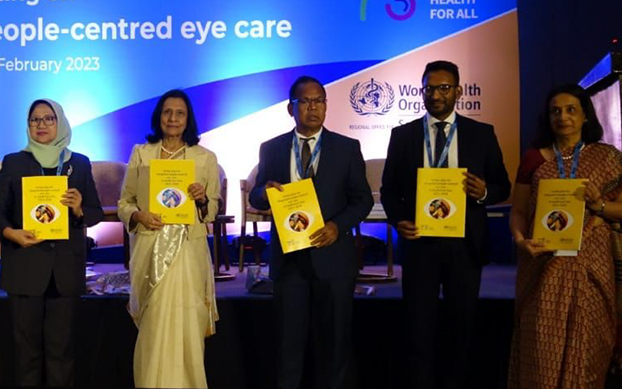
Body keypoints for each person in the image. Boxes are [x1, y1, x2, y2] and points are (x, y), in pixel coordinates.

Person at [380, 60, 511, 389]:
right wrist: (399, 221)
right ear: (421, 91)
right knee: (417, 331)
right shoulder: (404, 135)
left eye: (443, 88)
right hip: (420, 244)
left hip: (464, 246)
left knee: (461, 328)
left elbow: (502, 186)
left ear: (458, 91)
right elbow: (389, 189)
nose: (436, 94)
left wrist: (483, 193)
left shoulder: (481, 134)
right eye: (429, 88)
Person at [248, 76, 373, 389]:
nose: (312, 107)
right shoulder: (272, 148)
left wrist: (337, 226)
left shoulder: (347, 148)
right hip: (289, 263)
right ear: (291, 108)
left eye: (319, 101)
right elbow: (255, 196)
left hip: (334, 262)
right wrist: (264, 191)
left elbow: (362, 200)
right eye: (304, 101)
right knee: (288, 352)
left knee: (334, 351)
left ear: (326, 106)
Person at [507, 84, 622, 389]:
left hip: (591, 270)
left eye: (571, 109)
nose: (563, 117)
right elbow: (517, 212)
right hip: (542, 267)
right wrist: (520, 240)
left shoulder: (608, 158)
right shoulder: (534, 159)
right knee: (541, 352)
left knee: (588, 353)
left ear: (585, 115)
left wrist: (599, 204)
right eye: (555, 111)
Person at [0, 98, 103, 386]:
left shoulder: (79, 163)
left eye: (48, 118)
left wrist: (78, 209)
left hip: (65, 270)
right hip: (25, 267)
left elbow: (96, 212)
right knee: (27, 354)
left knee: (61, 352)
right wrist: (11, 233)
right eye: (34, 120)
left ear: (60, 122)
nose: (41, 125)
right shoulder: (14, 162)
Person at [119, 89, 220, 388]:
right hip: (150, 247)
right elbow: (125, 203)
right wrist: (138, 216)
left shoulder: (205, 158)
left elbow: (213, 208)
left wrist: (202, 200)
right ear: (158, 117)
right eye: (167, 112)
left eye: (179, 113)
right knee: (155, 326)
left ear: (188, 119)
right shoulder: (142, 153)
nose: (173, 118)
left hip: (189, 251)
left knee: (187, 325)